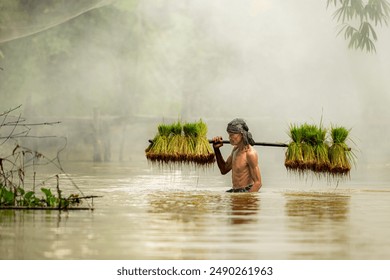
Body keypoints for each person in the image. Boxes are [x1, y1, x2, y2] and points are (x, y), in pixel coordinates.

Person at [212, 118, 262, 193]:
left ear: (241, 134)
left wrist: (245, 198)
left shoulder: (250, 154)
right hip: (235, 191)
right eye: (229, 135)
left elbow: (258, 183)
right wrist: (216, 149)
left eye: (232, 135)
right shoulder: (235, 150)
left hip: (245, 192)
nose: (229, 138)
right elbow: (223, 170)